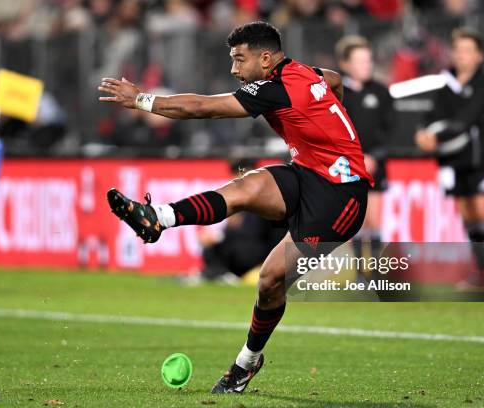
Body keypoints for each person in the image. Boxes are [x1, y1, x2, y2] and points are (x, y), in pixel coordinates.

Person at [98, 21, 373, 393]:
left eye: (239, 59)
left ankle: (245, 364)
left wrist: (142, 100)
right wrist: (331, 128)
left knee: (270, 280)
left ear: (264, 58)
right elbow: (335, 80)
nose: (234, 69)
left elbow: (202, 108)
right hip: (309, 174)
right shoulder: (304, 72)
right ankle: (158, 217)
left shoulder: (276, 88)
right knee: (249, 185)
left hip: (341, 197)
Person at [414, 27, 484, 287]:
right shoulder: (445, 84)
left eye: (468, 50)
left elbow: (466, 119)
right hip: (452, 159)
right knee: (466, 213)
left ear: (479, 56)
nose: (462, 55)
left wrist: (436, 137)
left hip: (478, 157)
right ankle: (482, 270)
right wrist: (422, 134)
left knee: (481, 210)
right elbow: (432, 116)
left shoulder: (483, 84)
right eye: (459, 50)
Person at [336, 35, 394, 280]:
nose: (366, 66)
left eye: (368, 60)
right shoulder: (336, 94)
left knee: (375, 217)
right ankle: (360, 273)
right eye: (360, 61)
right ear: (345, 64)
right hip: (347, 165)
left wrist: (376, 156)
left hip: (375, 165)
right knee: (357, 219)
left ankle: (378, 273)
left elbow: (392, 131)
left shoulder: (380, 92)